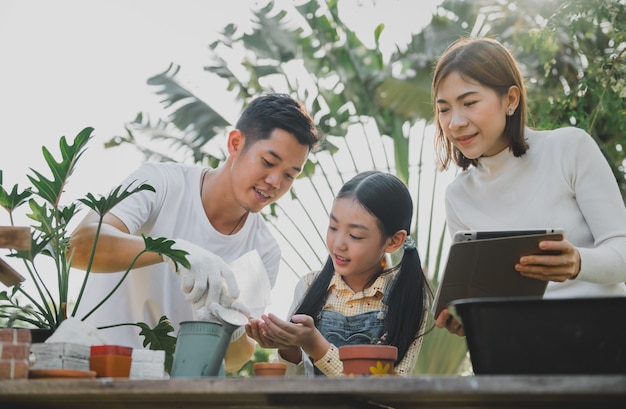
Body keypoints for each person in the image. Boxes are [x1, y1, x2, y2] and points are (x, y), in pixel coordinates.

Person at [69, 93, 320, 372]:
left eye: (289, 175)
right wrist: (171, 250)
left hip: (169, 395)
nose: (275, 181)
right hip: (90, 378)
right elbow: (79, 246)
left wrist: (231, 322)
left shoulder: (264, 249)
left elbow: (236, 361)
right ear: (235, 143)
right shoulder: (160, 183)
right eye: (268, 162)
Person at [431, 37, 626, 336]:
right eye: (444, 109)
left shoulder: (569, 148)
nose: (454, 122)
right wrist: (472, 321)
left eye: (469, 103)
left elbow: (622, 254)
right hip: (526, 350)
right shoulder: (458, 196)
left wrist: (577, 262)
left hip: (604, 337)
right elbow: (490, 298)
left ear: (510, 99)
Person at [245, 171, 432, 376]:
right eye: (333, 227)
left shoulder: (406, 296)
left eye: (355, 235)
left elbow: (389, 388)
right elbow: (295, 387)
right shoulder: (310, 286)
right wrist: (289, 348)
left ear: (394, 241)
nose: (339, 244)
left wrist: (315, 344)